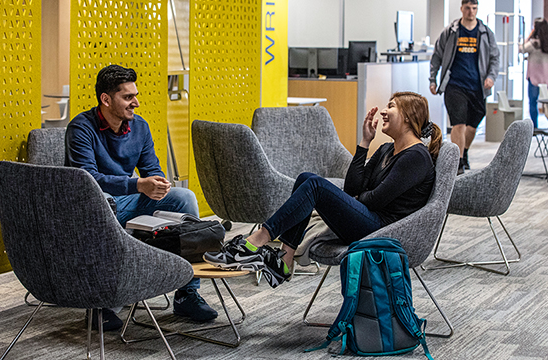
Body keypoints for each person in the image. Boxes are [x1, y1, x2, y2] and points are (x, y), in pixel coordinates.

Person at [204, 92, 442, 288]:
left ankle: (256, 241)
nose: (382, 111)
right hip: (369, 219)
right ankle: (285, 258)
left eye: (391, 106)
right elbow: (352, 188)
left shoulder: (416, 157)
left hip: (384, 231)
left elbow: (376, 201)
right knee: (306, 179)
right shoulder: (386, 150)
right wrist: (365, 142)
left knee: (315, 185)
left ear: (409, 117)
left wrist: (361, 197)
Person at [65, 64, 218, 330]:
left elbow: (151, 169)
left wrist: (158, 184)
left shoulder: (139, 127)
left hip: (128, 200)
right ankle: (101, 303)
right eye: (127, 97)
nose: (135, 102)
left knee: (184, 198)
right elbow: (86, 180)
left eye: (135, 95)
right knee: (105, 199)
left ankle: (187, 292)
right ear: (106, 99)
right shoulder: (81, 128)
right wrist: (138, 184)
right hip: (97, 206)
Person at [429, 0, 500, 175]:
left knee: (473, 125)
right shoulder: (451, 32)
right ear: (461, 9)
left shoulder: (485, 33)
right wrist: (433, 79)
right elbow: (437, 56)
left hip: (477, 86)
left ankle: (464, 150)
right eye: (467, 8)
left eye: (474, 8)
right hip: (455, 85)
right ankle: (458, 162)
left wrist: (491, 77)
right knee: (458, 123)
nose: (471, 12)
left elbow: (495, 58)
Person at [519, 17, 548, 128]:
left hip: (535, 78)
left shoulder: (534, 43)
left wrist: (528, 37)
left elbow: (521, 49)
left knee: (533, 102)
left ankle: (534, 127)